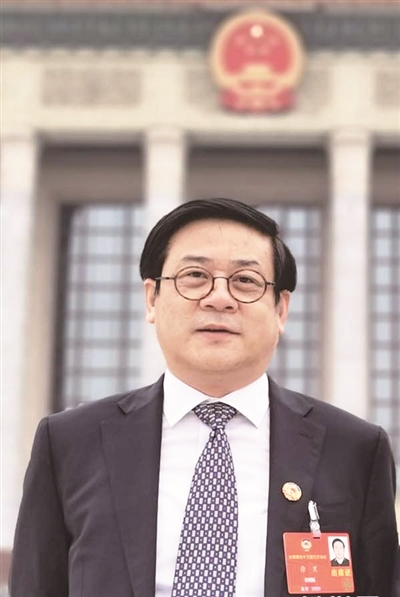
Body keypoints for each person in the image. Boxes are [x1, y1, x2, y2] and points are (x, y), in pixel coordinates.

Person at [10, 198, 398, 597]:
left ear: (281, 309)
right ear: (152, 299)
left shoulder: (354, 450)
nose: (219, 298)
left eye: (245, 280)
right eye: (195, 275)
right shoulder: (71, 442)